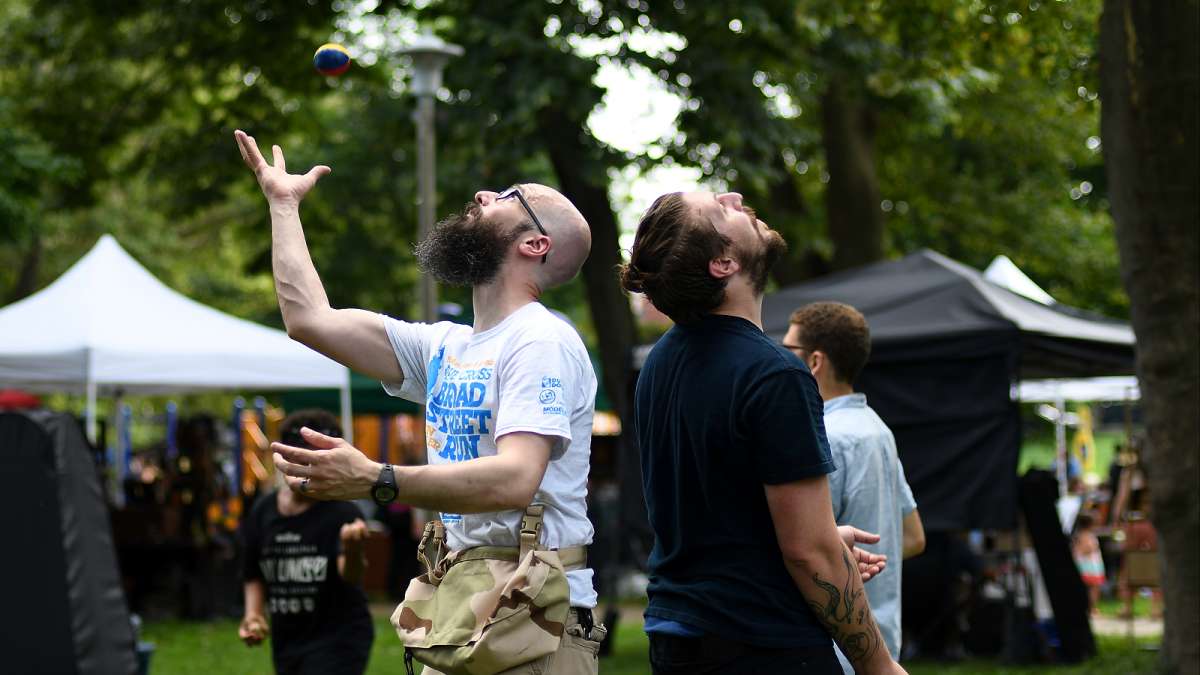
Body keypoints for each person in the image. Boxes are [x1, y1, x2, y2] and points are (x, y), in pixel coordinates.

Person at [232, 130, 605, 673]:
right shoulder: (444, 346)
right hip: (461, 607)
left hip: (538, 619)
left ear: (535, 243)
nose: (482, 195)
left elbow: (515, 478)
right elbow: (308, 319)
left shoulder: (540, 341)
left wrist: (379, 478)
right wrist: (283, 206)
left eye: (507, 196)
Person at [620, 191, 905, 674]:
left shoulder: (662, 360)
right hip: (761, 644)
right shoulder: (774, 374)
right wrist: (879, 664)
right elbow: (807, 552)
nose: (735, 197)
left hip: (678, 637)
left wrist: (823, 537)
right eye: (721, 209)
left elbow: (717, 518)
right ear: (723, 263)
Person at [784, 302, 926, 672]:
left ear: (814, 361)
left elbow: (806, 549)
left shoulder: (825, 437)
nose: (779, 360)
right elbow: (913, 537)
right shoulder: (878, 429)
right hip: (882, 641)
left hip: (833, 647)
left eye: (788, 351)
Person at [238, 408, 374, 675]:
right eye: (298, 461)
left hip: (339, 638)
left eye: (314, 464)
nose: (305, 473)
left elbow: (352, 575)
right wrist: (253, 615)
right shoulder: (263, 510)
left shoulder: (343, 512)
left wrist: (353, 548)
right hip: (287, 639)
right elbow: (252, 571)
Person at [1072, 512, 1105, 615]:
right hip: (1090, 565)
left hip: (1084, 563)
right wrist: (1092, 549)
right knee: (1094, 587)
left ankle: (1087, 608)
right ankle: (1092, 608)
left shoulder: (1079, 535)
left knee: (1087, 588)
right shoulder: (1087, 536)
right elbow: (1085, 549)